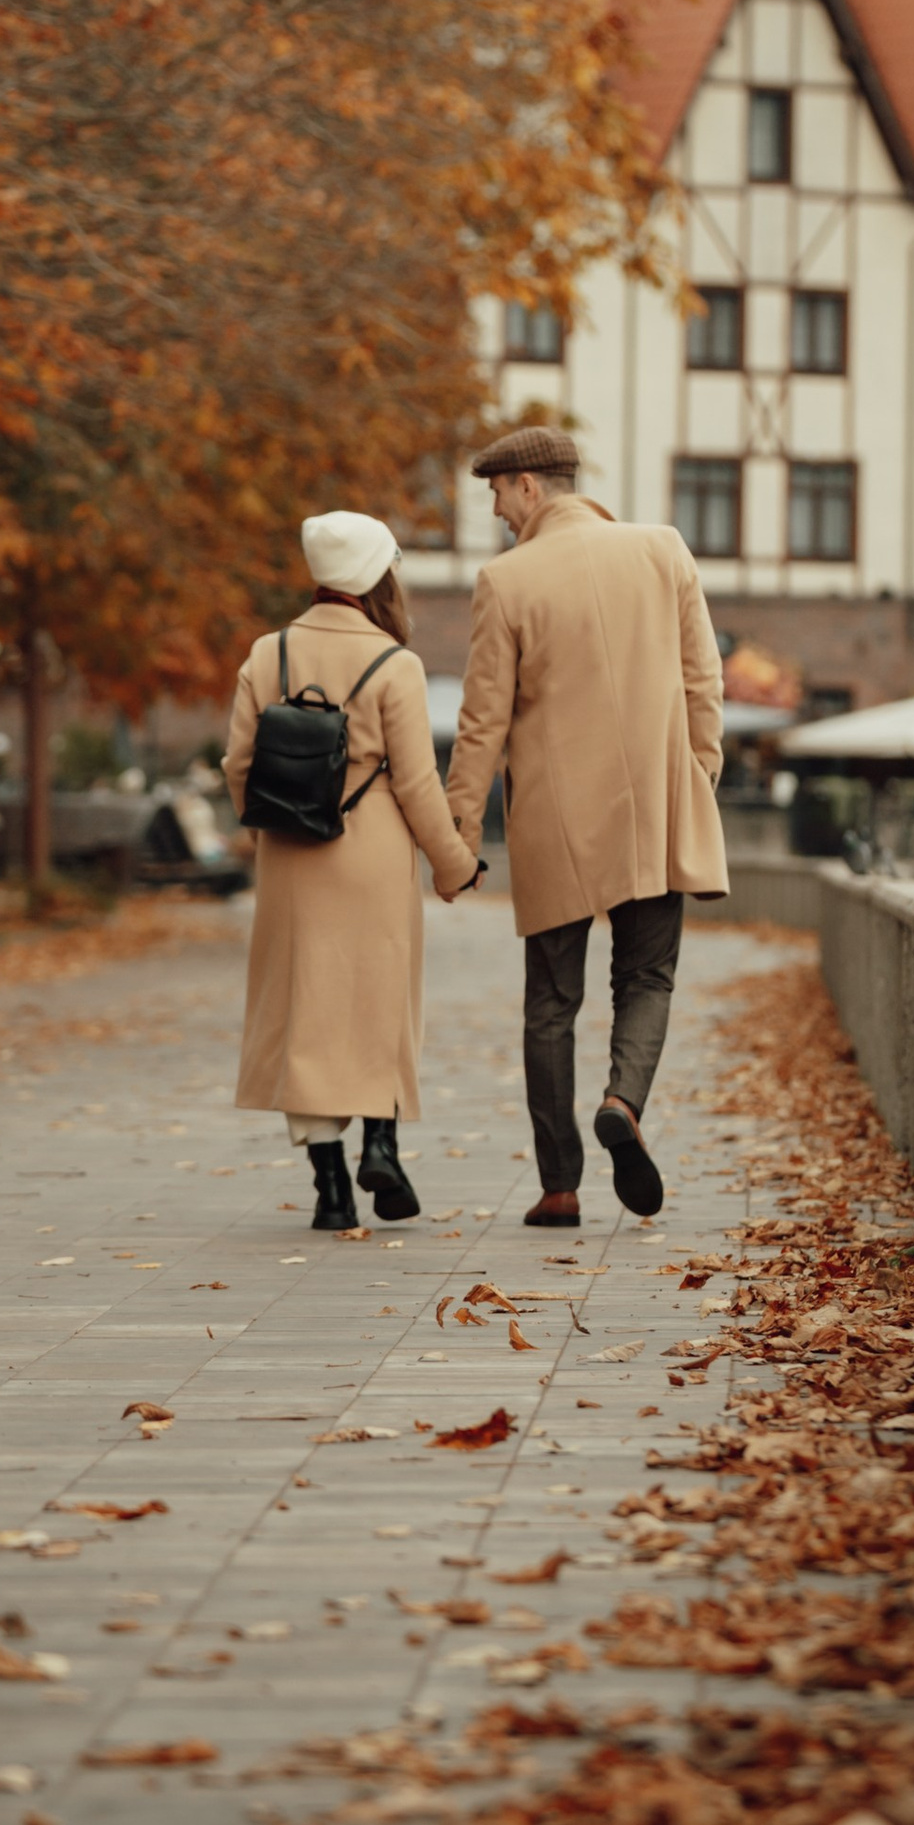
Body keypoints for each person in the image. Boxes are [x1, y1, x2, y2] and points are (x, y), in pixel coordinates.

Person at [444, 425, 726, 1227]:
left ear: (530, 486)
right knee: (647, 978)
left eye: (498, 492)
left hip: (555, 820)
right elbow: (702, 680)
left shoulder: (506, 581)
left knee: (550, 1004)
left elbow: (482, 725)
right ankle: (622, 1102)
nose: (496, 510)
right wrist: (697, 778)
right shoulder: (664, 550)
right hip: (653, 807)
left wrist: (458, 838)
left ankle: (559, 1186)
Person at [222, 511, 478, 1234]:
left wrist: (272, 822)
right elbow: (417, 785)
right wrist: (454, 866)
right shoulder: (395, 664)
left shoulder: (266, 654)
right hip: (373, 854)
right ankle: (382, 1145)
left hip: (292, 854)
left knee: (304, 1010)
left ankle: (331, 1190)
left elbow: (239, 765)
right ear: (378, 577)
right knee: (378, 998)